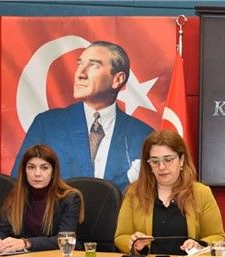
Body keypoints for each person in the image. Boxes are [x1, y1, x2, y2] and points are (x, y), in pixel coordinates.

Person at [12, 41, 153, 191]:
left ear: (117, 79)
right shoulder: (47, 125)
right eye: (79, 64)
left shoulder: (143, 135)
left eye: (94, 65)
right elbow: (18, 187)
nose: (80, 74)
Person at [114, 129, 225, 255]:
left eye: (168, 160)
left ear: (181, 160)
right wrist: (133, 242)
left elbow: (218, 237)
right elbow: (120, 236)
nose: (161, 167)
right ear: (149, 165)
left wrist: (199, 245)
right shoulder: (134, 193)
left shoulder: (201, 193)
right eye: (155, 161)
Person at [0, 145, 84, 253]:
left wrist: (26, 243)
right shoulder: (17, 196)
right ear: (24, 171)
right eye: (31, 167)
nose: (37, 174)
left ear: (53, 172)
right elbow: (3, 230)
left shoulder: (69, 198)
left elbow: (66, 239)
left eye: (44, 168)